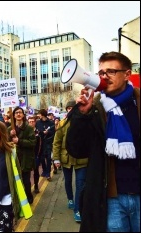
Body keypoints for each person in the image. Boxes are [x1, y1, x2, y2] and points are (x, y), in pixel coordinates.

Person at [69, 52, 139, 232]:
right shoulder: (96, 108)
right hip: (111, 198)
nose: (104, 76)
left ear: (127, 74)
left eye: (111, 71)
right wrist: (81, 115)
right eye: (101, 73)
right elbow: (77, 150)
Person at [52, 100, 88, 223]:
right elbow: (56, 142)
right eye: (68, 108)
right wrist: (56, 158)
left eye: (72, 108)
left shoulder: (85, 121)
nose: (70, 110)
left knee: (80, 185)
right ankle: (70, 199)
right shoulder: (62, 123)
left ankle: (78, 209)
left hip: (81, 159)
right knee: (68, 181)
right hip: (66, 157)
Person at [8, 107, 36, 204]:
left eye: (20, 112)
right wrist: (10, 136)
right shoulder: (10, 129)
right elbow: (6, 142)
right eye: (16, 113)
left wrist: (19, 141)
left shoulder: (28, 128)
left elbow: (33, 143)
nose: (18, 114)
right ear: (13, 115)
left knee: (26, 180)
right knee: (15, 179)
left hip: (25, 158)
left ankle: (28, 196)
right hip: (14, 158)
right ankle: (17, 197)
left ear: (23, 115)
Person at [35, 109, 55, 180]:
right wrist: (41, 132)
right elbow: (37, 131)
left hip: (48, 142)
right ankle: (44, 170)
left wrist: (48, 132)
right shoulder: (38, 122)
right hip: (41, 143)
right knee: (42, 158)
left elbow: (53, 132)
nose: (38, 115)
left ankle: (48, 173)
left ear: (42, 114)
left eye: (39, 114)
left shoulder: (51, 123)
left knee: (48, 158)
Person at [28, 116, 41, 194]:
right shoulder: (26, 132)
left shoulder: (38, 133)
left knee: (36, 172)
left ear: (35, 123)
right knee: (27, 173)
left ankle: (36, 185)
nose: (31, 123)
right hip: (28, 156)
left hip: (36, 155)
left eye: (33, 121)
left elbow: (40, 145)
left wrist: (39, 155)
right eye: (30, 121)